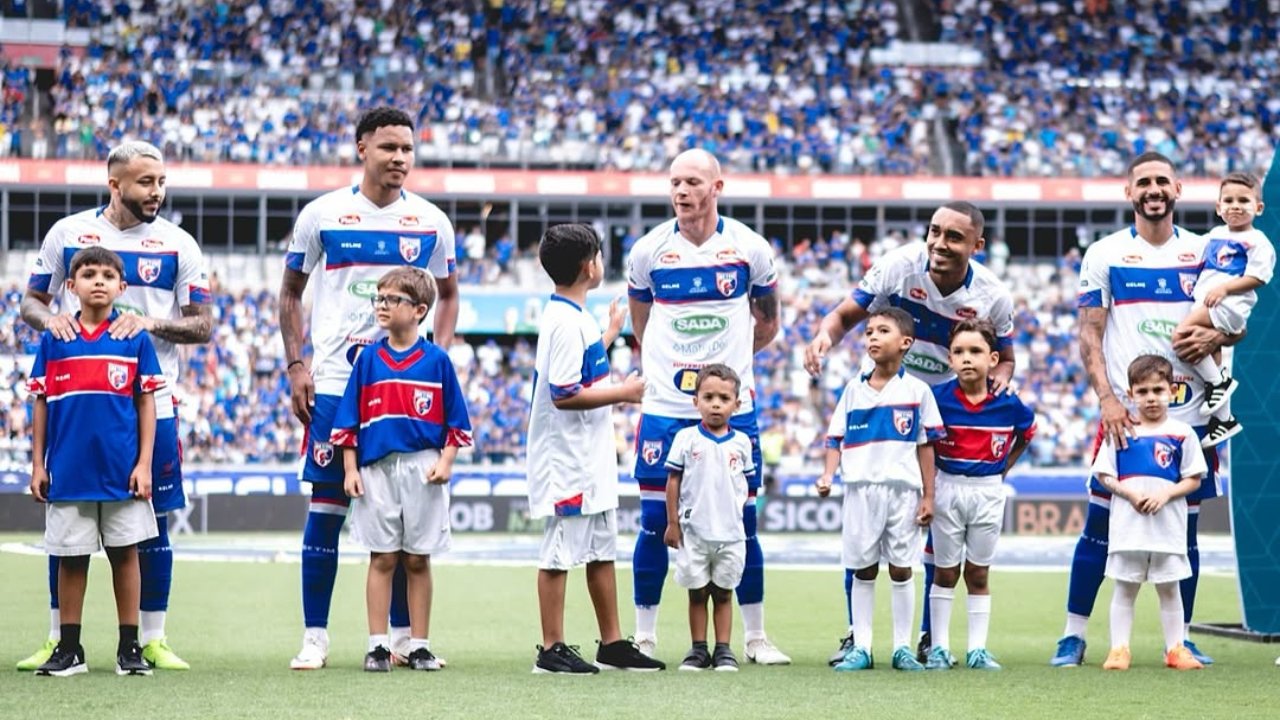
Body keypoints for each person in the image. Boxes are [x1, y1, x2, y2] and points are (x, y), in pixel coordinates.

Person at [19, 140, 212, 672]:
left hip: (151, 401)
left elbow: (202, 324)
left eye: (162, 182)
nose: (157, 192)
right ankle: (60, 638)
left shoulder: (178, 243)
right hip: (78, 405)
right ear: (115, 184)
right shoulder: (67, 234)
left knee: (153, 522)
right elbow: (32, 301)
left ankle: (151, 638)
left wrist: (149, 322)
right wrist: (50, 321)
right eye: (146, 182)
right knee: (67, 525)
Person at [279, 106, 460, 670]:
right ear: (362, 148)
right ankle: (315, 637)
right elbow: (289, 293)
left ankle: (403, 639)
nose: (400, 158)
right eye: (388, 147)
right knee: (327, 508)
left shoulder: (431, 222)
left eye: (407, 149)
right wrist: (296, 364)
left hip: (405, 391)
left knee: (404, 516)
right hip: (337, 383)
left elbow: (449, 294)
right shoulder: (322, 215)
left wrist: (435, 360)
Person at [804, 201, 1015, 664]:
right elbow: (843, 316)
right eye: (934, 231)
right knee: (863, 536)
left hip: (942, 406)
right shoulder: (898, 267)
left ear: (977, 246)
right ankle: (856, 636)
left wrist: (998, 384)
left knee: (931, 527)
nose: (939, 243)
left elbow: (1006, 357)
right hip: (884, 397)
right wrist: (824, 338)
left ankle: (925, 638)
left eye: (954, 237)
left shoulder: (994, 295)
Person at [1052, 151, 1239, 668]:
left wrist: (1218, 336)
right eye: (1143, 183)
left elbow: (1236, 324)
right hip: (1127, 418)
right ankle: (1073, 635)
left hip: (1191, 417)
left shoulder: (1205, 252)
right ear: (1129, 192)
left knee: (1184, 532)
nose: (1153, 190)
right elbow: (1089, 333)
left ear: (1178, 189)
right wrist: (1108, 400)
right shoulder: (1105, 253)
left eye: (1162, 181)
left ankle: (1180, 641)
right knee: (1100, 527)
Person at [626, 149, 788, 664]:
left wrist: (726, 379)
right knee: (655, 520)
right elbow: (640, 323)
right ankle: (644, 637)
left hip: (733, 412)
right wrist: (670, 375)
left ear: (717, 187)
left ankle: (755, 638)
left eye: (693, 182)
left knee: (743, 522)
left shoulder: (749, 248)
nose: (681, 191)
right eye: (675, 181)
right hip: (665, 407)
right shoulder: (649, 251)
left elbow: (768, 322)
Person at [525, 223, 663, 674]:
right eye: (600, 255)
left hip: (589, 457)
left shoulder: (574, 317)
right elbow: (565, 393)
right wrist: (624, 392)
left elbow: (580, 367)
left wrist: (610, 333)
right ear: (590, 266)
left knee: (602, 548)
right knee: (559, 551)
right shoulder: (565, 322)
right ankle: (551, 647)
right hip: (566, 459)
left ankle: (612, 642)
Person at [27, 246, 166, 677]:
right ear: (71, 286)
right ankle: (70, 648)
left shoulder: (134, 338)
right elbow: (41, 403)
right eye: (89, 274)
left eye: (108, 275)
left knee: (126, 555)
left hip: (122, 472)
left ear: (122, 287)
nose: (99, 281)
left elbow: (146, 403)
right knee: (71, 557)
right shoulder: (55, 339)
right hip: (69, 471)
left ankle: (130, 647)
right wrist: (38, 464)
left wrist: (144, 463)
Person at [330, 267, 470, 673]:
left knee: (418, 559)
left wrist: (446, 461)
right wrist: (350, 469)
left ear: (419, 310)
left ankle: (418, 646)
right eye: (379, 298)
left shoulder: (437, 361)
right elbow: (349, 422)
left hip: (423, 468)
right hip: (377, 470)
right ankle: (377, 645)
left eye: (392, 299)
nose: (382, 306)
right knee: (382, 558)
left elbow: (456, 423)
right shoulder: (368, 359)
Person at [816, 308, 944, 672]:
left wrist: (929, 495)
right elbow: (835, 438)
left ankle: (902, 647)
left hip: (903, 492)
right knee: (863, 569)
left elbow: (926, 445)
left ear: (905, 343)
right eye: (869, 331)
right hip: (860, 491)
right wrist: (828, 475)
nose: (872, 336)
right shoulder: (853, 389)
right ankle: (863, 647)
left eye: (882, 331)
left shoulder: (917, 391)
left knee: (902, 569)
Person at [925, 320, 1037, 671]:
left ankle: (977, 649)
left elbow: (1027, 433)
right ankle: (939, 648)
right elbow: (923, 443)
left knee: (977, 573)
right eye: (959, 352)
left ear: (993, 359)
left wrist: (1003, 468)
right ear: (949, 359)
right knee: (945, 572)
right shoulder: (937, 398)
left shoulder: (1007, 401)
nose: (967, 358)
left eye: (975, 351)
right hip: (947, 488)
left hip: (988, 491)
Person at [1093, 355, 1206, 671]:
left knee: (1169, 588)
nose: (1151, 398)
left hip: (1167, 527)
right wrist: (1129, 493)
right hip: (1129, 527)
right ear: (1131, 394)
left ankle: (1175, 649)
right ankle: (1119, 649)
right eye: (1142, 392)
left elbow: (1194, 479)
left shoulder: (1183, 433)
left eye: (1158, 390)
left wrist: (1165, 494)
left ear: (1172, 390)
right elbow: (1104, 474)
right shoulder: (1121, 431)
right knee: (1125, 587)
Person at [664, 364, 755, 672]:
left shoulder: (742, 442)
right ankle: (699, 649)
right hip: (694, 532)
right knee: (697, 592)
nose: (716, 404)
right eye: (709, 397)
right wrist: (673, 523)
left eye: (724, 398)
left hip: (730, 533)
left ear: (736, 404)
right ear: (696, 401)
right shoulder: (686, 438)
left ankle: (724, 649)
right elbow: (673, 481)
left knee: (724, 593)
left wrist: (745, 522)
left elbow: (746, 486)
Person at [1175, 172, 1274, 447]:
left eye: (1244, 200)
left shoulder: (1258, 241)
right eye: (1228, 201)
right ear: (1218, 208)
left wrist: (1225, 289)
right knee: (1209, 351)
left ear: (1258, 208)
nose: (1235, 206)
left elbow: (1259, 277)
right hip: (1210, 302)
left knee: (1181, 336)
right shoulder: (1216, 234)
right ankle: (1225, 420)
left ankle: (1218, 383)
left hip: (1228, 305)